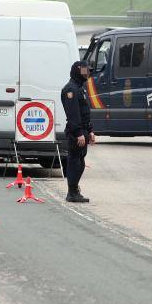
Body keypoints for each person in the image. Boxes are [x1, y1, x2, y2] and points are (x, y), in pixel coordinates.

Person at [60, 60, 95, 203]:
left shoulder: (80, 88)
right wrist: (79, 132)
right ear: (78, 71)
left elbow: (84, 112)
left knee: (80, 162)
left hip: (83, 131)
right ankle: (72, 192)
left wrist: (90, 130)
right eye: (85, 71)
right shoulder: (70, 89)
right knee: (75, 161)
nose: (88, 73)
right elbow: (73, 114)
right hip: (76, 133)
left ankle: (75, 190)